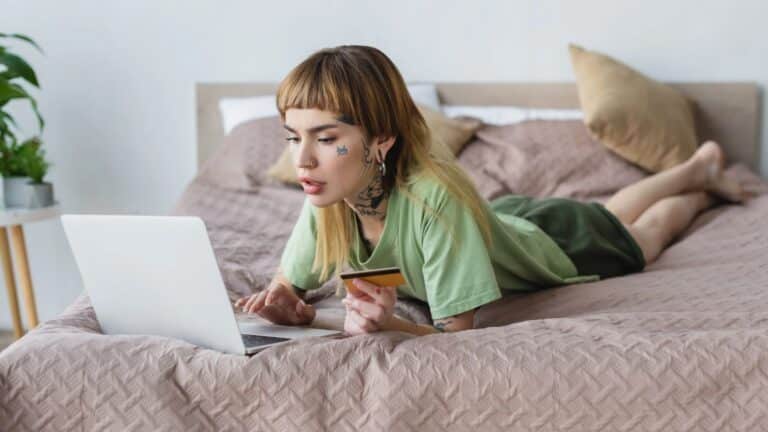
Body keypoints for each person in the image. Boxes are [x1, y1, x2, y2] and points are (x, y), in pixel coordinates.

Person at [234, 45, 751, 336]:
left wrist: (391, 325)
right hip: (501, 221)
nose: (302, 160)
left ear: (381, 140)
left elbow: (456, 336)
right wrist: (282, 300)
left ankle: (698, 185)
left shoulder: (435, 203)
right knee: (606, 210)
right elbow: (292, 278)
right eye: (292, 138)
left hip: (552, 245)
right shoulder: (326, 195)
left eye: (326, 139)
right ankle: (696, 170)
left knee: (639, 236)